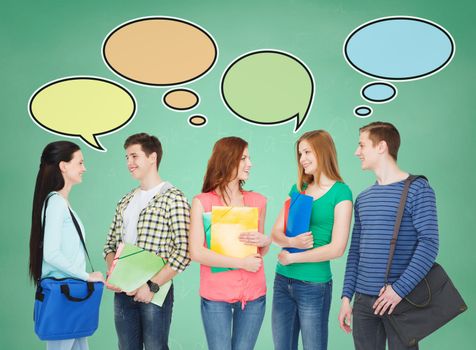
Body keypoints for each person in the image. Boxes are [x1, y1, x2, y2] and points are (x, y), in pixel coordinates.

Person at [338, 122, 439, 350]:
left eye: (362, 145)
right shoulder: (363, 199)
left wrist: (399, 290)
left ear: (381, 146)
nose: (357, 152)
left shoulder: (418, 189)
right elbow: (356, 252)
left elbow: (429, 244)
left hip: (400, 300)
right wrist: (347, 297)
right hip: (363, 302)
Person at [103, 133, 191, 350]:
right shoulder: (125, 201)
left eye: (134, 156)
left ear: (152, 158)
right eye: (126, 157)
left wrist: (151, 285)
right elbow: (110, 245)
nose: (129, 163)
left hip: (155, 291)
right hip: (123, 292)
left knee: (155, 347)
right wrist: (113, 274)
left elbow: (185, 251)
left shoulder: (173, 198)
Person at [271, 130, 353, 350]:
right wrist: (294, 243)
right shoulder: (299, 189)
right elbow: (275, 233)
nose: (302, 159)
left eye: (307, 152)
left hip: (314, 286)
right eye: (300, 153)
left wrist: (294, 258)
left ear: (323, 152)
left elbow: (337, 248)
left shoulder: (341, 193)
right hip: (282, 282)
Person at [189, 136, 271, 350]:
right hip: (216, 294)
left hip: (253, 293)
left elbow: (259, 250)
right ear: (227, 160)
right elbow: (196, 252)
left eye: (249, 158)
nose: (250, 164)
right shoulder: (202, 202)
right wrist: (241, 263)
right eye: (243, 158)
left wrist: (265, 241)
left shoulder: (258, 201)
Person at [29, 141, 104, 350]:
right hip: (65, 295)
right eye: (80, 162)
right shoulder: (56, 203)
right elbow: (51, 254)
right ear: (63, 166)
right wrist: (87, 276)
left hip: (70, 295)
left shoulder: (61, 203)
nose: (84, 168)